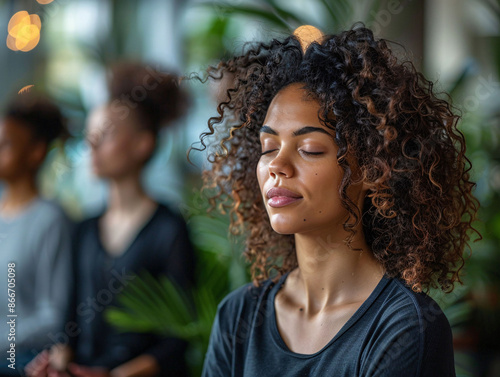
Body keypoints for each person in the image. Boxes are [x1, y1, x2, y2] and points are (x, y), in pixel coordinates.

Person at [193, 24, 480, 376]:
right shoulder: (238, 316)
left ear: (373, 170)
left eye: (310, 149)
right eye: (268, 148)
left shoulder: (404, 327)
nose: (277, 167)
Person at [26, 63, 196, 377]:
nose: (92, 145)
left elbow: (179, 337)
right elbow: (69, 321)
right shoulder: (83, 228)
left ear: (142, 144)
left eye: (105, 135)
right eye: (90, 135)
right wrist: (57, 361)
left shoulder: (169, 228)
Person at [0, 93, 73, 376]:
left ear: (36, 152)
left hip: (20, 361)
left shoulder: (51, 220)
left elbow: (53, 317)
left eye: (6, 144)